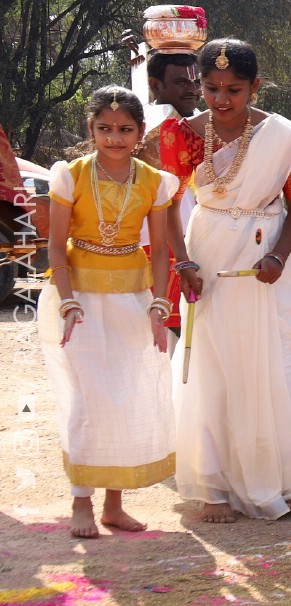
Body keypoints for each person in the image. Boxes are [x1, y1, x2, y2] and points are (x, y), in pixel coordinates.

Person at [168, 39, 291, 522]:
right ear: (200, 85)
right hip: (207, 253)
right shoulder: (184, 135)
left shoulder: (283, 138)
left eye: (233, 89)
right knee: (212, 363)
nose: (221, 99)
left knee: (268, 362)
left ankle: (274, 479)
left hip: (265, 256)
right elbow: (166, 205)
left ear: (255, 87)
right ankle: (212, 484)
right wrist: (183, 262)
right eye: (211, 88)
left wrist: (277, 255)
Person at [39, 88, 180, 538]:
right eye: (104, 129)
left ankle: (113, 506)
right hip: (78, 300)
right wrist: (67, 302)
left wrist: (158, 307)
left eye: (124, 130)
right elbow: (55, 246)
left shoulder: (154, 181)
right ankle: (80, 501)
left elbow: (161, 250)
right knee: (87, 399)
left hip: (131, 301)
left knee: (123, 396)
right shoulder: (71, 175)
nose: (114, 138)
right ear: (91, 129)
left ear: (140, 133)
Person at [142, 50, 202, 337]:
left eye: (196, 82)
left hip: (190, 238)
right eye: (181, 82)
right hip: (152, 243)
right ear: (156, 85)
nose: (192, 90)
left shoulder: (197, 122)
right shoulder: (152, 125)